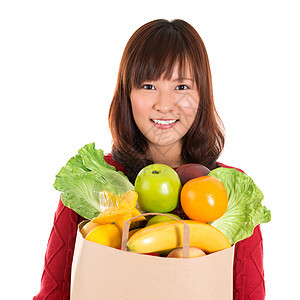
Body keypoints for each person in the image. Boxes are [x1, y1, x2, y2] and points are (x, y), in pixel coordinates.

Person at [34, 19, 265, 299]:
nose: (164, 105)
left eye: (181, 87)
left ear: (202, 94)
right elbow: (54, 294)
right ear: (126, 94)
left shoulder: (226, 191)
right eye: (148, 85)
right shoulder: (94, 182)